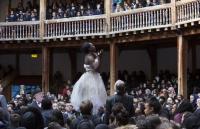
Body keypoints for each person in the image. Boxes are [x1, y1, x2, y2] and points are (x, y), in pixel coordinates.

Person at [70, 42, 107, 114]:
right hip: (90, 77)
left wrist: (97, 56)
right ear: (89, 49)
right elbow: (95, 67)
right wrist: (98, 56)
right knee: (91, 95)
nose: (94, 45)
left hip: (95, 76)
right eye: (92, 45)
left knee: (98, 96)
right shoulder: (88, 57)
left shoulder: (93, 55)